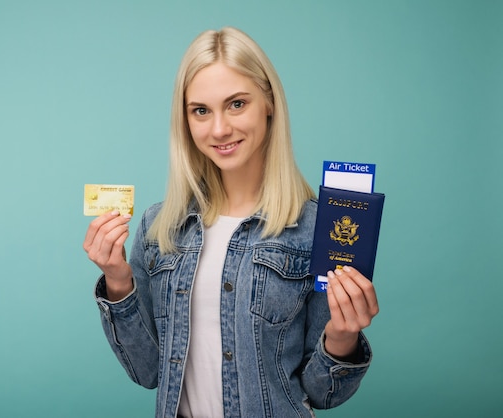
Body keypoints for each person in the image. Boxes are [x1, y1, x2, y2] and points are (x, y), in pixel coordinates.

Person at [83, 26, 379, 418]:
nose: (219, 128)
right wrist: (118, 282)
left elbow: (322, 394)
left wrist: (343, 335)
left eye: (237, 104)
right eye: (201, 110)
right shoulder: (159, 228)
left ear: (269, 103)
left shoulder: (317, 229)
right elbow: (147, 371)